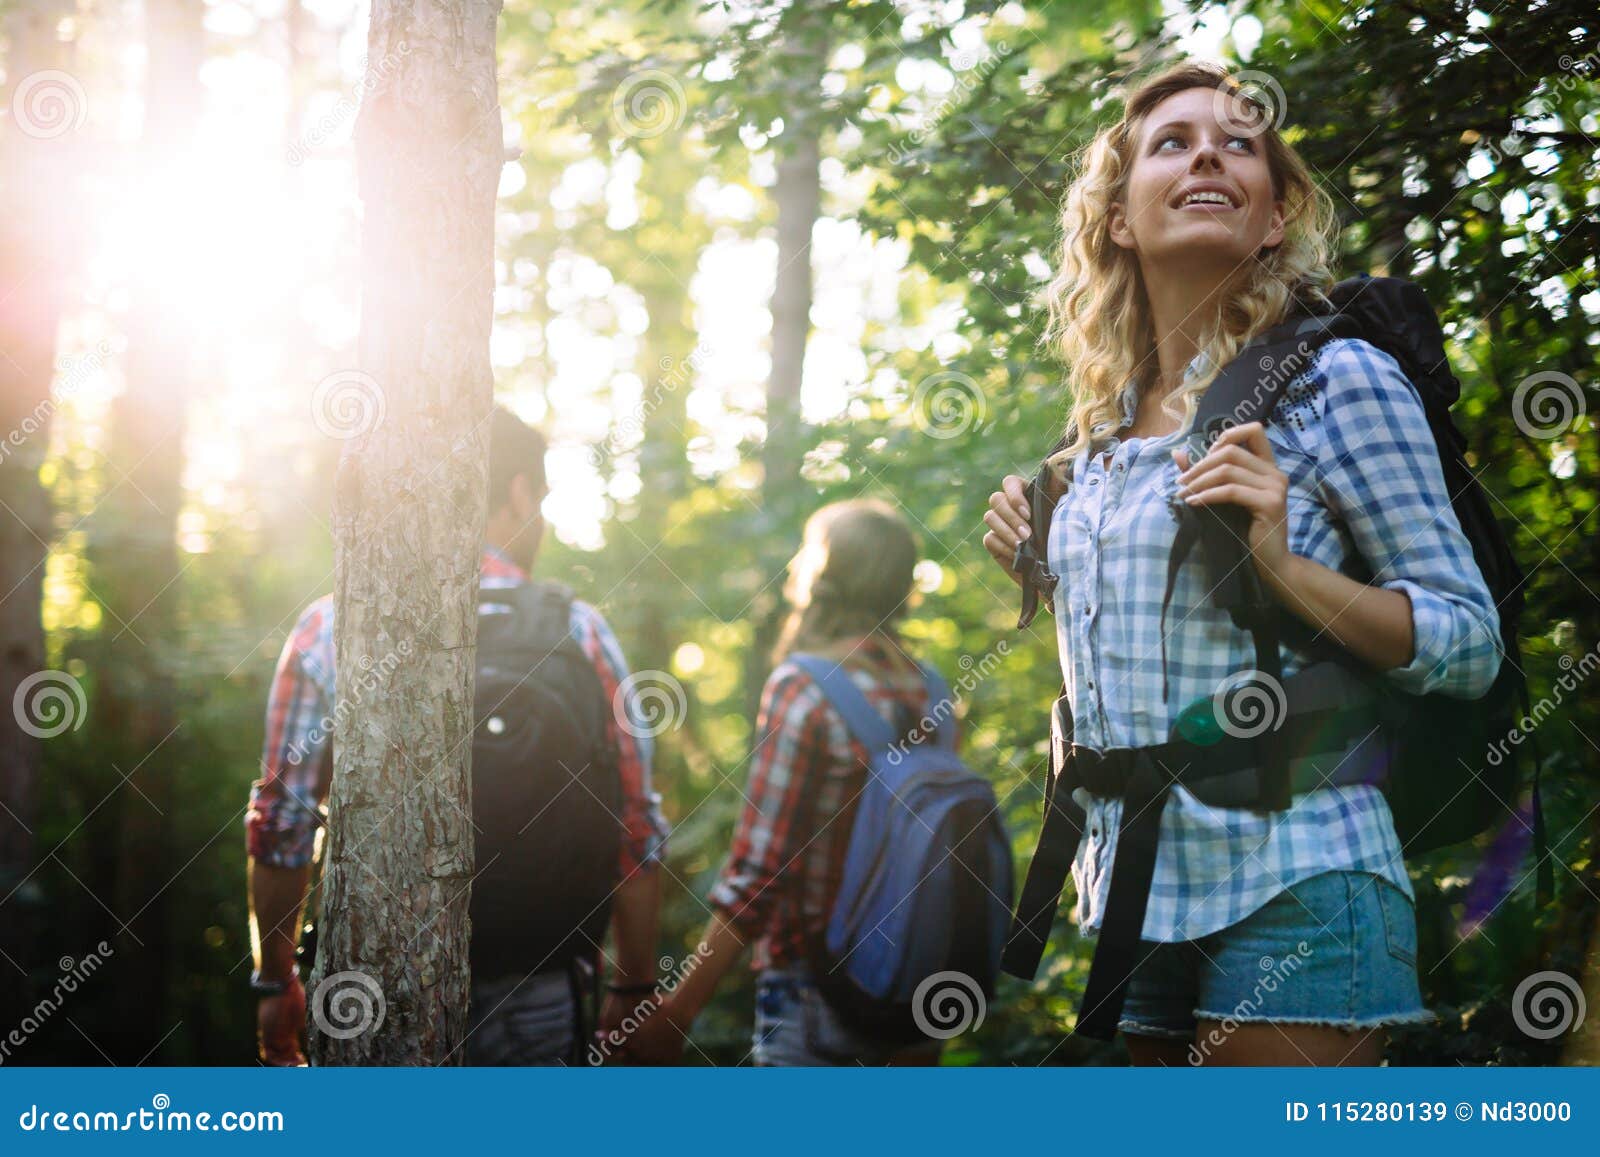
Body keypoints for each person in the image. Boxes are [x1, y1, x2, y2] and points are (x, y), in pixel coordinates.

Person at [982, 61, 1502, 1065]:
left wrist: (1281, 563)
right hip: (1134, 893)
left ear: (1272, 219)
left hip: (1299, 877)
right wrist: (1040, 562)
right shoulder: (1092, 445)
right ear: (1119, 219)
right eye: (1171, 143)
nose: (1208, 152)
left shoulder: (1338, 378)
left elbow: (1468, 640)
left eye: (1239, 143)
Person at [245, 406, 669, 1065]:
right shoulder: (582, 631)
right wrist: (635, 982)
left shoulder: (331, 626)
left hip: (373, 990)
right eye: (544, 497)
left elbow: (280, 825)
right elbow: (636, 826)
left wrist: (276, 981)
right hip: (539, 983)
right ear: (520, 490)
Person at [623, 499, 947, 1065]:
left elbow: (760, 871)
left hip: (817, 992)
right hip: (915, 993)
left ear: (826, 574)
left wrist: (680, 1007)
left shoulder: (804, 686)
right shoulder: (934, 691)